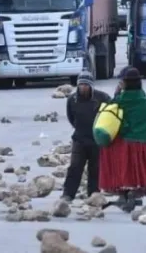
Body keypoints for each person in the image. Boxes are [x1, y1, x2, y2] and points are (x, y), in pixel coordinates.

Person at [98, 67, 146, 213]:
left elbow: (112, 115)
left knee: (122, 170)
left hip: (124, 141)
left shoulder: (121, 100)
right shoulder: (144, 101)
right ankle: (132, 193)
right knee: (137, 171)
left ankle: (124, 195)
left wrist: (116, 93)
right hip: (142, 141)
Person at [61, 71, 111, 201]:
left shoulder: (102, 98)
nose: (83, 87)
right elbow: (71, 118)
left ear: (91, 86)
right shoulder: (72, 99)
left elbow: (111, 114)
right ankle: (68, 194)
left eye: (86, 85)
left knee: (96, 169)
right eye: (81, 84)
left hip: (97, 140)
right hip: (79, 139)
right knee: (75, 167)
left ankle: (93, 194)